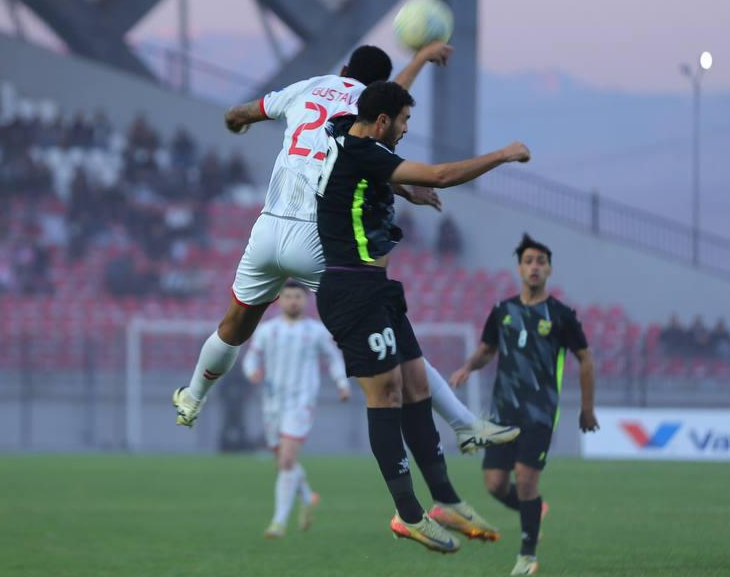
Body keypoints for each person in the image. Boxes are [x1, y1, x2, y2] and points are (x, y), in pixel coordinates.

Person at [173, 44, 517, 456]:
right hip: (320, 240)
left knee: (235, 324)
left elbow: (242, 113)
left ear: (343, 69)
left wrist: (235, 121)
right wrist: (421, 59)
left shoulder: (309, 88)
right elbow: (385, 111)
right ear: (377, 96)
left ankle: (193, 397)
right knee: (394, 338)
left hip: (268, 229)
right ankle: (464, 425)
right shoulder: (367, 108)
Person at [313, 81, 532, 552]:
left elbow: (357, 170)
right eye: (406, 121)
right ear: (383, 121)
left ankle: (445, 501)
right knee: (386, 395)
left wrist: (402, 191)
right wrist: (503, 154)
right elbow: (441, 173)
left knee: (415, 384)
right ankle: (408, 515)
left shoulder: (338, 133)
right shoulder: (363, 149)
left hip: (375, 289)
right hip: (351, 290)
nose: (408, 129)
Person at [449, 233, 599, 575]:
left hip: (540, 412)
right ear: (519, 268)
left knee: (526, 479)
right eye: (529, 261)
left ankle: (527, 557)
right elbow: (488, 349)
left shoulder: (561, 315)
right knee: (495, 485)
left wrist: (587, 409)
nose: (534, 267)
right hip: (503, 411)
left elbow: (586, 359)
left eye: (541, 262)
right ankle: (534, 511)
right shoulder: (503, 311)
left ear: (549, 270)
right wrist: (467, 368)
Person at [241, 282, 351, 539]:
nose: (292, 301)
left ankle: (278, 523)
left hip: (301, 402)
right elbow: (251, 358)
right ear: (279, 300)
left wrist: (342, 384)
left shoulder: (316, 332)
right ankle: (307, 496)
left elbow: (334, 359)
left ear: (306, 300)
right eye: (288, 296)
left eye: (297, 297)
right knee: (282, 463)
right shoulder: (267, 331)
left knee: (287, 460)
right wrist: (252, 371)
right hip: (272, 403)